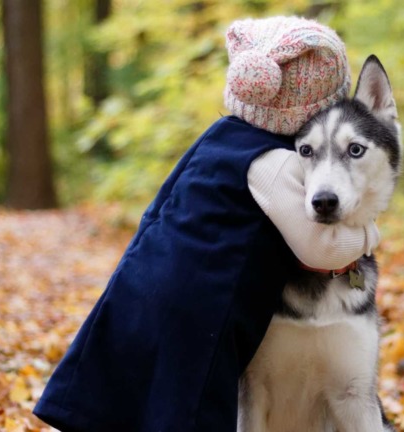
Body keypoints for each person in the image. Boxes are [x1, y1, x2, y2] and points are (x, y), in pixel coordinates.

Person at [33, 16, 379, 432]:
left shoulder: (217, 137)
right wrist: (368, 234)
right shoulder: (274, 162)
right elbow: (319, 249)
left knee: (135, 396)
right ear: (317, 106)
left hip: (144, 283)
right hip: (202, 306)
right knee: (188, 408)